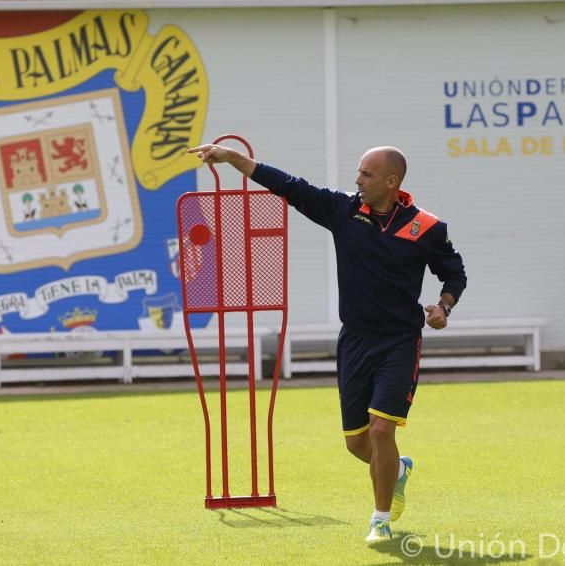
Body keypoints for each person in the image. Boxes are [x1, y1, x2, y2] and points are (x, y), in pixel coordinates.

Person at [190, 141, 467, 543]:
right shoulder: (344, 210)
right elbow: (291, 186)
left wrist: (444, 306)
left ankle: (380, 520)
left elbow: (454, 273)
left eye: (367, 174)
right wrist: (235, 159)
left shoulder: (427, 227)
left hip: (400, 342)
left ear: (392, 182)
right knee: (357, 444)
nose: (357, 179)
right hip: (354, 340)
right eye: (358, 171)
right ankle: (397, 470)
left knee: (380, 431)